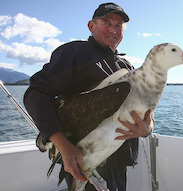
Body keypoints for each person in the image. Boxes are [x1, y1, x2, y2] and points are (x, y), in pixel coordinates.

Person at [24, 3, 153, 191]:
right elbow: (36, 93)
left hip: (119, 162)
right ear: (91, 26)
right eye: (106, 23)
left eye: (119, 26)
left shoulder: (127, 67)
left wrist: (147, 128)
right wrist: (64, 146)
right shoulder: (76, 53)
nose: (113, 30)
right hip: (85, 163)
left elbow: (145, 110)